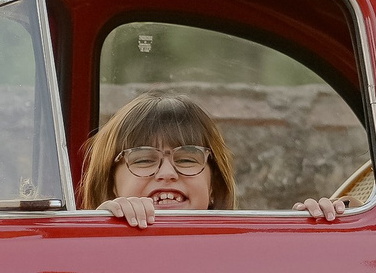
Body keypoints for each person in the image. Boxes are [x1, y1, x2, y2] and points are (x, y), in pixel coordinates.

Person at [78, 91, 349, 228]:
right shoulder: (86, 252)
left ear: (213, 187)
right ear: (111, 183)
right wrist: (103, 226)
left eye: (186, 159)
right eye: (143, 160)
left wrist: (325, 221)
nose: (167, 173)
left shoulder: (246, 248)